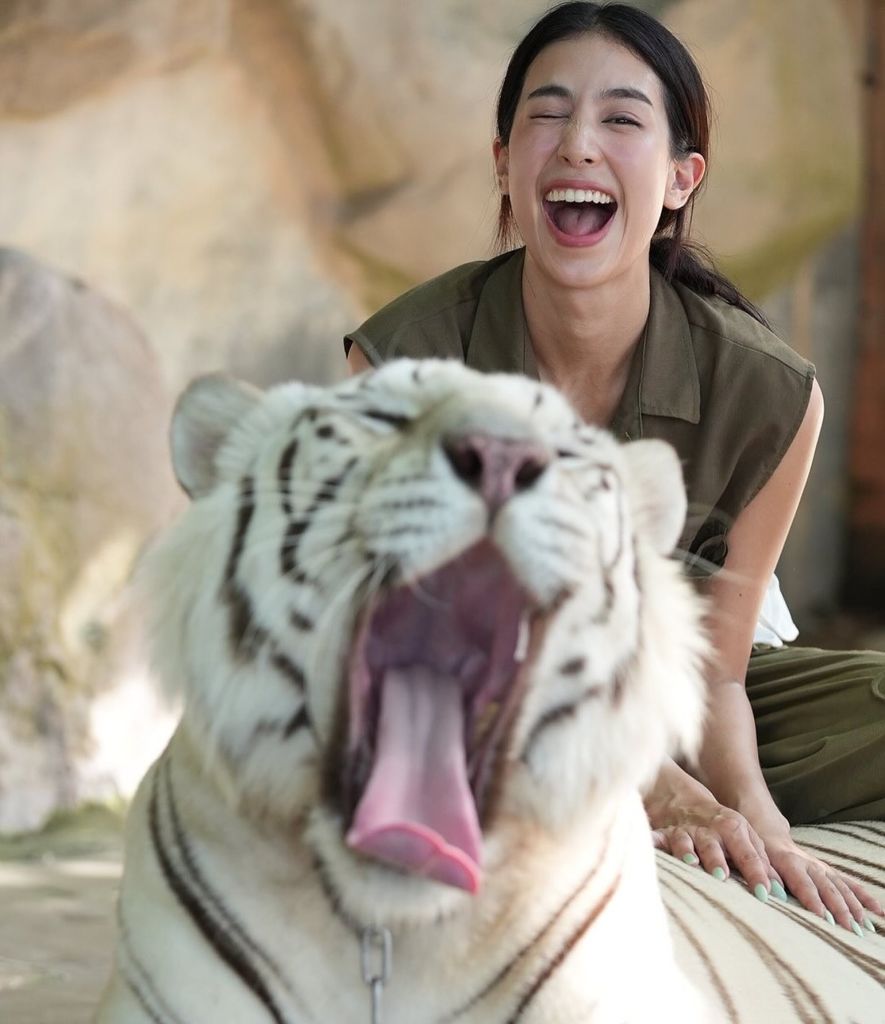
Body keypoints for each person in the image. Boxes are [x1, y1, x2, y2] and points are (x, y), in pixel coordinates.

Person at [344, 1, 884, 933]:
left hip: (665, 699)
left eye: (621, 119)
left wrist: (756, 820)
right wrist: (658, 789)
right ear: (503, 162)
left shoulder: (768, 395)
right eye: (546, 115)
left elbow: (714, 676)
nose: (577, 146)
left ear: (680, 178)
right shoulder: (402, 366)